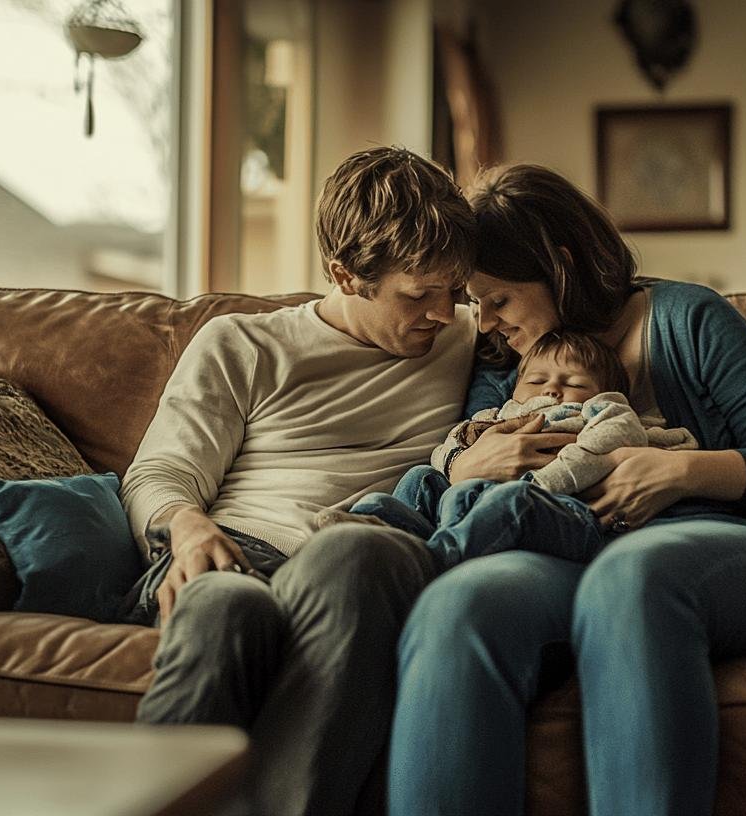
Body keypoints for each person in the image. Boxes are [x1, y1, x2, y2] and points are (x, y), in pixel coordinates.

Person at [386, 164, 746, 816]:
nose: (483, 322)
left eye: (500, 299)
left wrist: (683, 471)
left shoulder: (690, 319)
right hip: (569, 551)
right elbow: (468, 451)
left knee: (631, 575)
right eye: (475, 301)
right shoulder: (507, 356)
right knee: (460, 599)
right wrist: (463, 465)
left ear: (561, 266)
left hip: (723, 550)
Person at [118, 146, 477, 816]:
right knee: (225, 608)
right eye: (418, 295)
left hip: (360, 561)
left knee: (356, 549)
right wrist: (188, 526)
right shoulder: (244, 344)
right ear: (345, 275)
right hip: (237, 554)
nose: (444, 314)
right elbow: (160, 472)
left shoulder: (471, 339)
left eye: (455, 290)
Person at [322, 330, 696, 571]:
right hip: (474, 502)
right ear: (516, 388)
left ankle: (431, 561)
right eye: (537, 380)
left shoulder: (601, 411)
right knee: (420, 478)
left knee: (512, 500)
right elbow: (448, 450)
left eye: (574, 383)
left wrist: (543, 481)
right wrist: (458, 460)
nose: (551, 390)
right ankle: (378, 525)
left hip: (566, 512)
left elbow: (618, 435)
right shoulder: (497, 417)